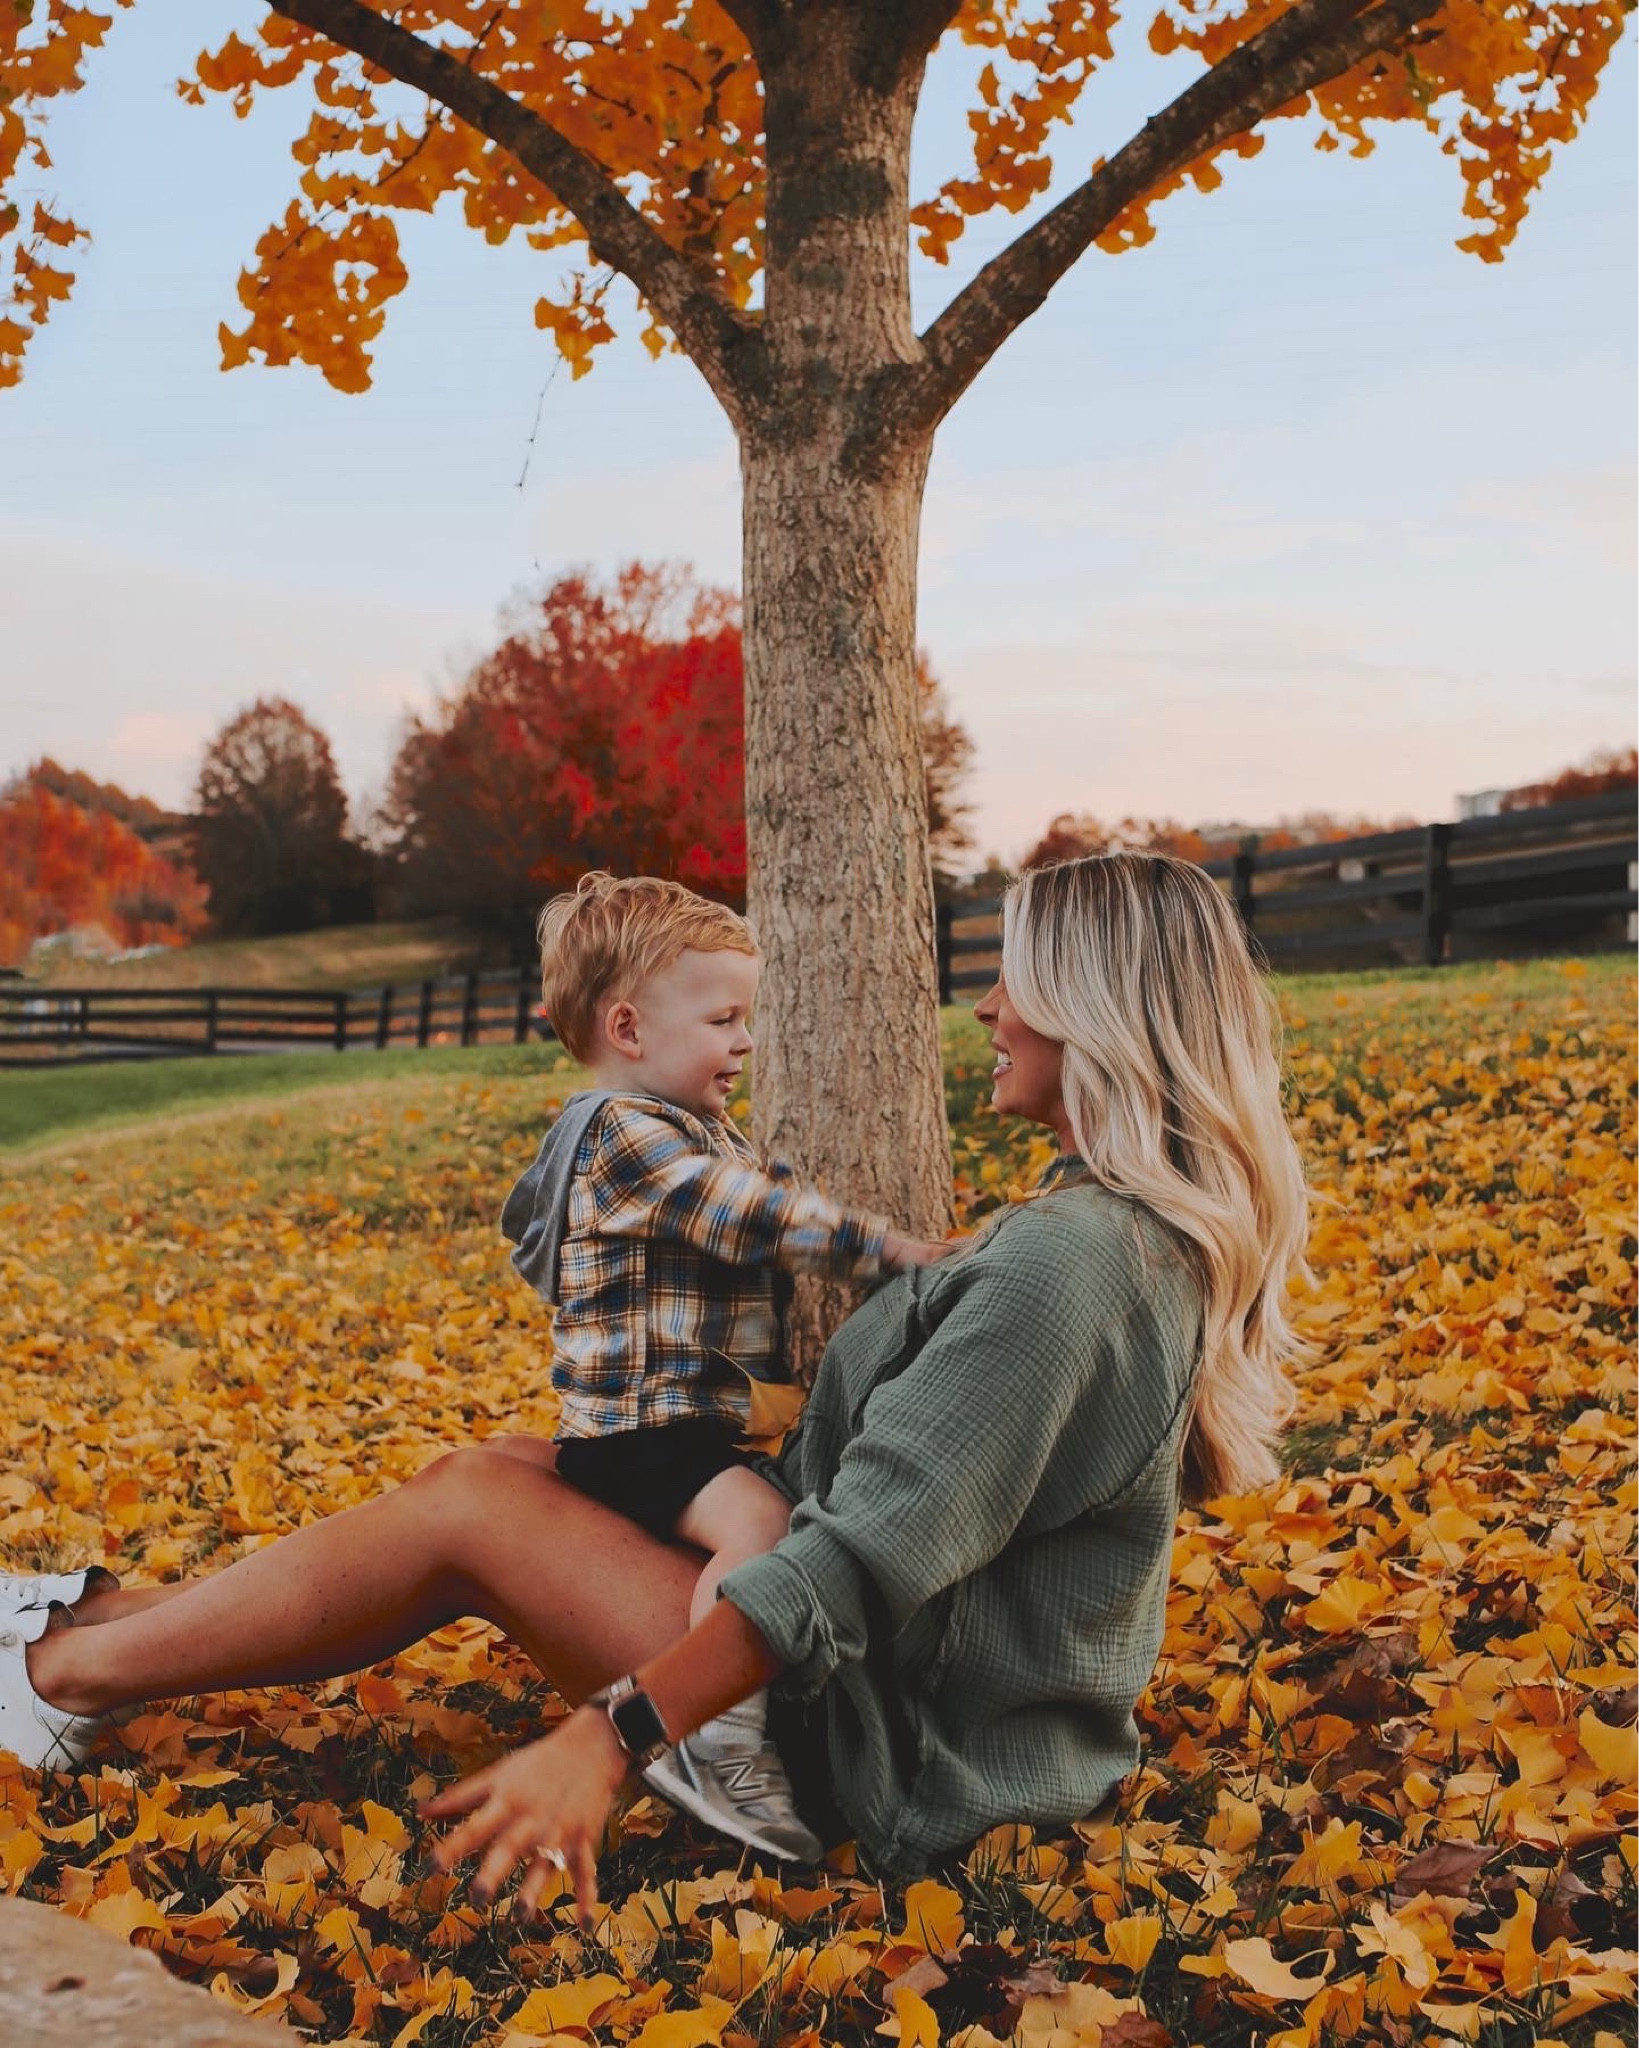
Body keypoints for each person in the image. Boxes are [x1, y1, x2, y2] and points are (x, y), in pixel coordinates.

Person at [2, 852, 1309, 1924]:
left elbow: (859, 1558)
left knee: (474, 1514)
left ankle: (62, 1683)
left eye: (1009, 978)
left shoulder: (1073, 1264)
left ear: (1087, 1007)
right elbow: (930, 1468)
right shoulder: (1100, 1228)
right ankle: (92, 1627)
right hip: (907, 1695)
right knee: (501, 1468)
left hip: (879, 1753)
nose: (982, 1008)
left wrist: (607, 1740)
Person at [500, 872, 949, 1856]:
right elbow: (753, 1211)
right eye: (722, 1018)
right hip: (639, 1433)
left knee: (764, 1513)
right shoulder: (625, 1135)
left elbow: (757, 1187)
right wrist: (892, 1248)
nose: (744, 1042)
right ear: (628, 1026)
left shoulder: (688, 1129)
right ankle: (708, 1732)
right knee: (761, 1523)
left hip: (681, 1426)